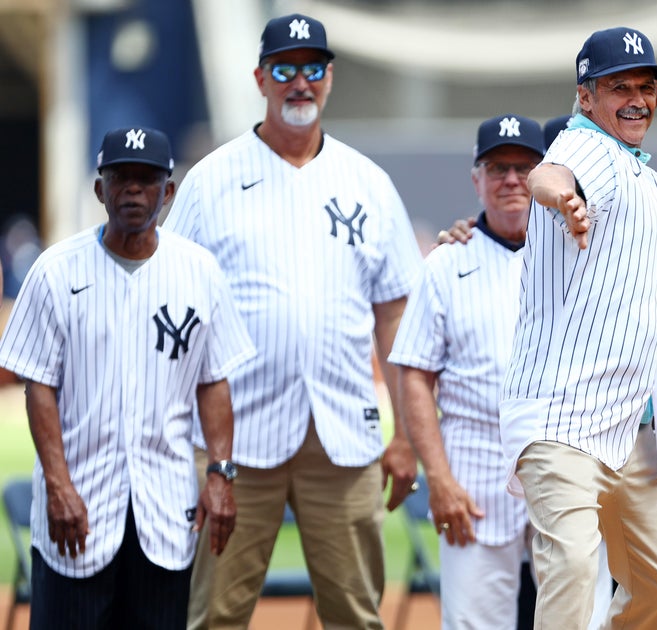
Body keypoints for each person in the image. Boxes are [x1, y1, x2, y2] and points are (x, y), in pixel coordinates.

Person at [163, 13, 425, 629]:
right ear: (261, 78)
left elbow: (395, 317)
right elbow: (173, 304)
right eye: (285, 69)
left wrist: (407, 436)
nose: (299, 82)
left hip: (342, 434)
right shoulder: (210, 182)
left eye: (313, 68)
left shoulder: (368, 182)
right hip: (238, 441)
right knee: (215, 616)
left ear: (329, 78)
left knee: (357, 615)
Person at [500, 26, 657, 629]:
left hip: (628, 426)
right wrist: (560, 197)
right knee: (570, 565)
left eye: (646, 87)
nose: (638, 98)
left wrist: (651, 92)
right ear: (583, 96)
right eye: (619, 86)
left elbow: (616, 129)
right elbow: (555, 171)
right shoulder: (584, 149)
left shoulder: (630, 162)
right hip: (562, 420)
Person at [0, 127, 254, 629]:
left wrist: (221, 474)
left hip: (164, 509)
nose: (134, 191)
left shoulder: (199, 272)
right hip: (77, 510)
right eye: (121, 178)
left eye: (147, 179)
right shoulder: (54, 271)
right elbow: (38, 386)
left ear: (169, 191)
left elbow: (214, 380)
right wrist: (57, 486)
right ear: (101, 190)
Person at [390, 114, 612, 629]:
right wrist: (439, 481)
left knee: (584, 619)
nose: (511, 179)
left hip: (568, 468)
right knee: (475, 624)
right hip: (476, 476)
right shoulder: (446, 264)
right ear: (477, 178)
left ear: (545, 175)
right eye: (497, 167)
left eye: (523, 167)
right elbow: (416, 376)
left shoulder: (579, 250)